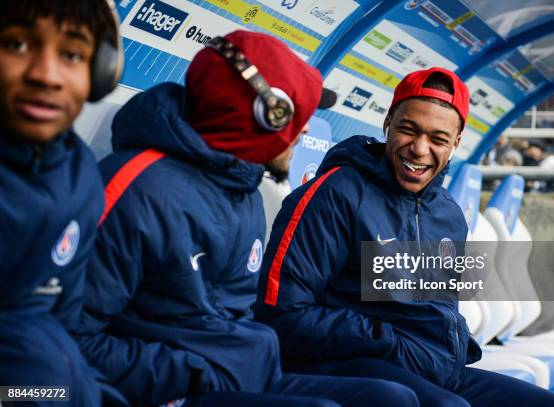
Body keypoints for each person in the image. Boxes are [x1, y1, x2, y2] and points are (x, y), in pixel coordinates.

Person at [76, 30, 418, 407]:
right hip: (176, 390)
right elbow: (71, 339)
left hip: (248, 372)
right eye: (298, 114)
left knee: (393, 400)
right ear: (266, 115)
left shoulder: (246, 192)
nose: (304, 129)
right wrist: (192, 373)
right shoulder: (137, 188)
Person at [255, 67, 554, 407]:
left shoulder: (448, 214)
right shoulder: (335, 194)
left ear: (456, 143)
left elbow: (437, 307)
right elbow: (283, 315)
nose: (419, 149)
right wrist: (386, 338)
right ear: (388, 123)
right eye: (408, 130)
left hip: (435, 367)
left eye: (438, 139)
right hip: (351, 364)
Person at [0, 1, 124, 405]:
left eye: (72, 54)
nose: (46, 75)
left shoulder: (79, 174)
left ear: (101, 72)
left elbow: (60, 326)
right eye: (16, 45)